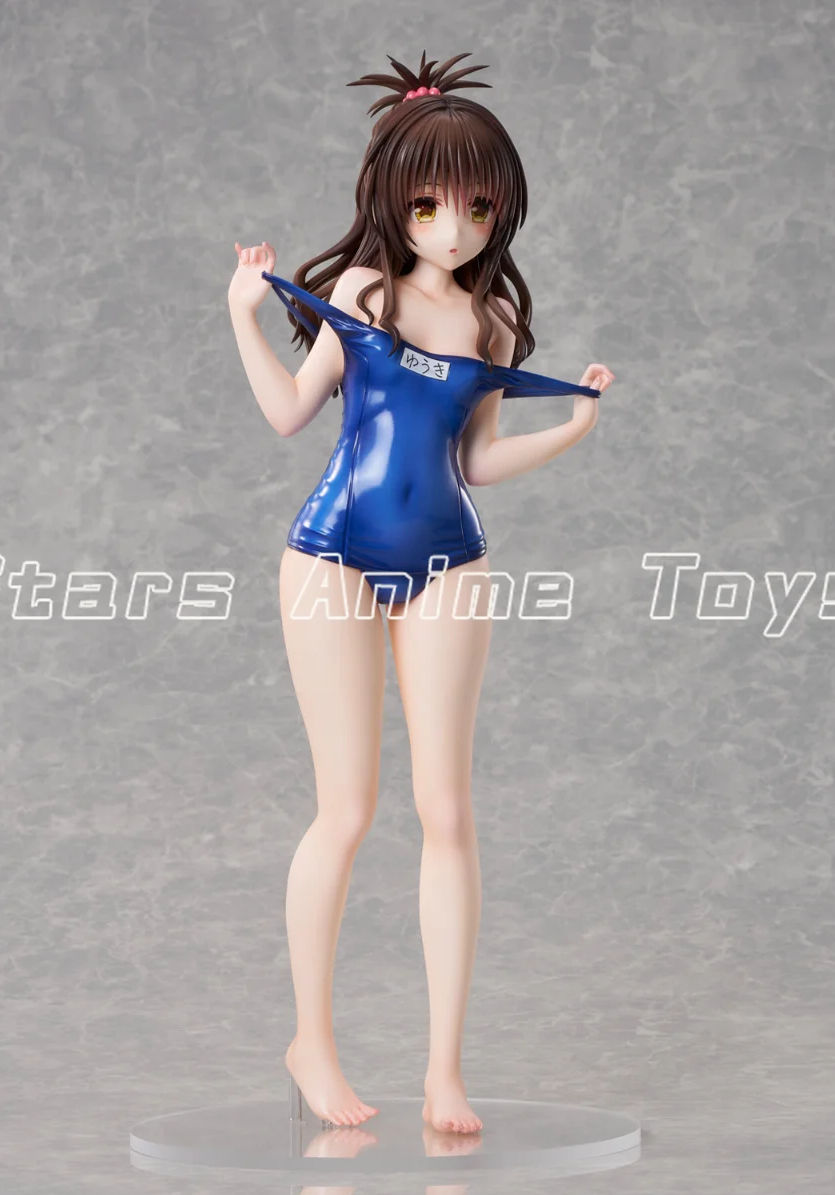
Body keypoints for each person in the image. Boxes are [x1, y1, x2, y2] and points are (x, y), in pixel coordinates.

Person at [227, 50, 615, 1134]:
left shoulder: (492, 325)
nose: (456, 229)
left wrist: (571, 427)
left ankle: (446, 1071)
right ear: (392, 198)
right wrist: (243, 316)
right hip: (332, 555)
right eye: (432, 205)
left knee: (448, 811)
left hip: (451, 560)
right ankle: (311, 1041)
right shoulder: (363, 294)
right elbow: (288, 414)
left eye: (479, 207)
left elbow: (475, 461)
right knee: (346, 810)